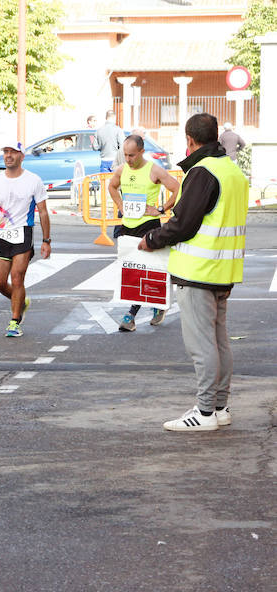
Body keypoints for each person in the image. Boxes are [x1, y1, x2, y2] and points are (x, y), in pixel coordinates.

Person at [138, 113, 249, 432]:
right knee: (218, 341)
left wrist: (151, 239)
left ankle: (203, 413)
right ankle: (219, 407)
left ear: (189, 140)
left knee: (202, 345)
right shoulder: (232, 171)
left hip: (198, 271)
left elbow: (183, 224)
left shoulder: (202, 172)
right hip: (224, 271)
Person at [108, 134, 180, 331]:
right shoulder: (122, 169)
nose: (129, 159)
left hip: (148, 224)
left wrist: (161, 209)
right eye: (125, 155)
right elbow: (112, 187)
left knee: (146, 268)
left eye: (132, 155)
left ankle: (131, 315)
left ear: (141, 152)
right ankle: (156, 305)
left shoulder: (154, 170)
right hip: (128, 225)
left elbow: (176, 188)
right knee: (132, 268)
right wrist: (121, 205)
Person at [0, 141, 51, 337]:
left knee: (17, 277)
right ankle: (20, 301)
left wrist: (46, 240)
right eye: (6, 151)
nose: (8, 155)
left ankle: (14, 321)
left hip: (23, 233)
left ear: (22, 156)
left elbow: (43, 212)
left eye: (13, 152)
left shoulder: (33, 180)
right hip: (2, 234)